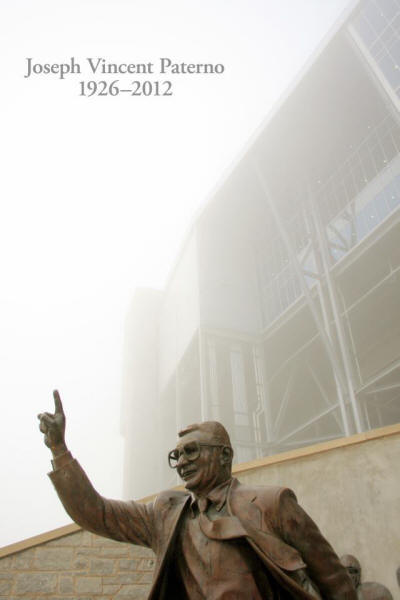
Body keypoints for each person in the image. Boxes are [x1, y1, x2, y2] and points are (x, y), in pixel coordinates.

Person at [38, 390, 357, 599]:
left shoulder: (273, 503)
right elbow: (97, 513)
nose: (182, 462)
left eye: (191, 451)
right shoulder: (165, 514)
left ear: (224, 456)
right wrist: (59, 449)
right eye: (176, 456)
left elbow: (336, 583)